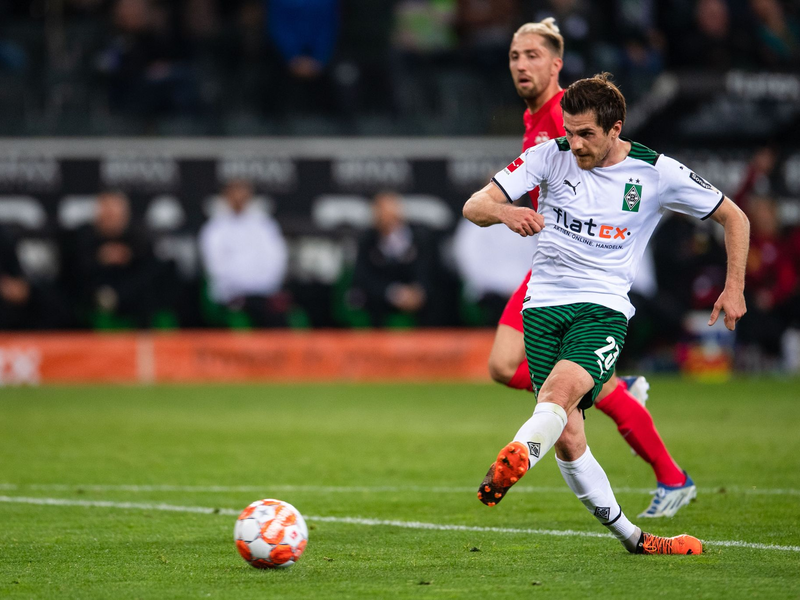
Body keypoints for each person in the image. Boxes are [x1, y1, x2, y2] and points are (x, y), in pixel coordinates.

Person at [463, 72, 749, 555]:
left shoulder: (656, 172)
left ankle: (516, 454)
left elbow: (733, 216)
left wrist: (734, 286)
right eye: (569, 131)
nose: (574, 143)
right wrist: (507, 213)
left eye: (586, 134)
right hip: (543, 307)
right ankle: (636, 540)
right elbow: (475, 204)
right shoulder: (547, 155)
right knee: (569, 437)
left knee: (554, 397)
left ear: (616, 129)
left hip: (602, 309)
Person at [491, 18, 696, 518]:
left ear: (556, 64)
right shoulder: (535, 117)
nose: (521, 64)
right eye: (516, 56)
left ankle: (670, 472)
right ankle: (619, 399)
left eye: (533, 56)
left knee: (537, 375)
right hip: (552, 270)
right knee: (506, 367)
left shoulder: (566, 117)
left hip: (582, 275)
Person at [199, 179, 289, 327]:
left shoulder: (264, 225)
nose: (239, 198)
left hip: (263, 291)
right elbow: (215, 267)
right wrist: (241, 286)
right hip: (231, 294)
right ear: (226, 196)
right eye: (234, 193)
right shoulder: (214, 229)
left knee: (277, 317)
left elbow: (277, 258)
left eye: (242, 193)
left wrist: (265, 286)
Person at [349, 191, 436, 327]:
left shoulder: (420, 238)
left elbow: (428, 271)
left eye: (393, 215)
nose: (389, 220)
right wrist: (392, 293)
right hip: (382, 300)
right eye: (383, 214)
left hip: (417, 298)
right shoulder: (367, 241)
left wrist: (418, 292)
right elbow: (362, 277)